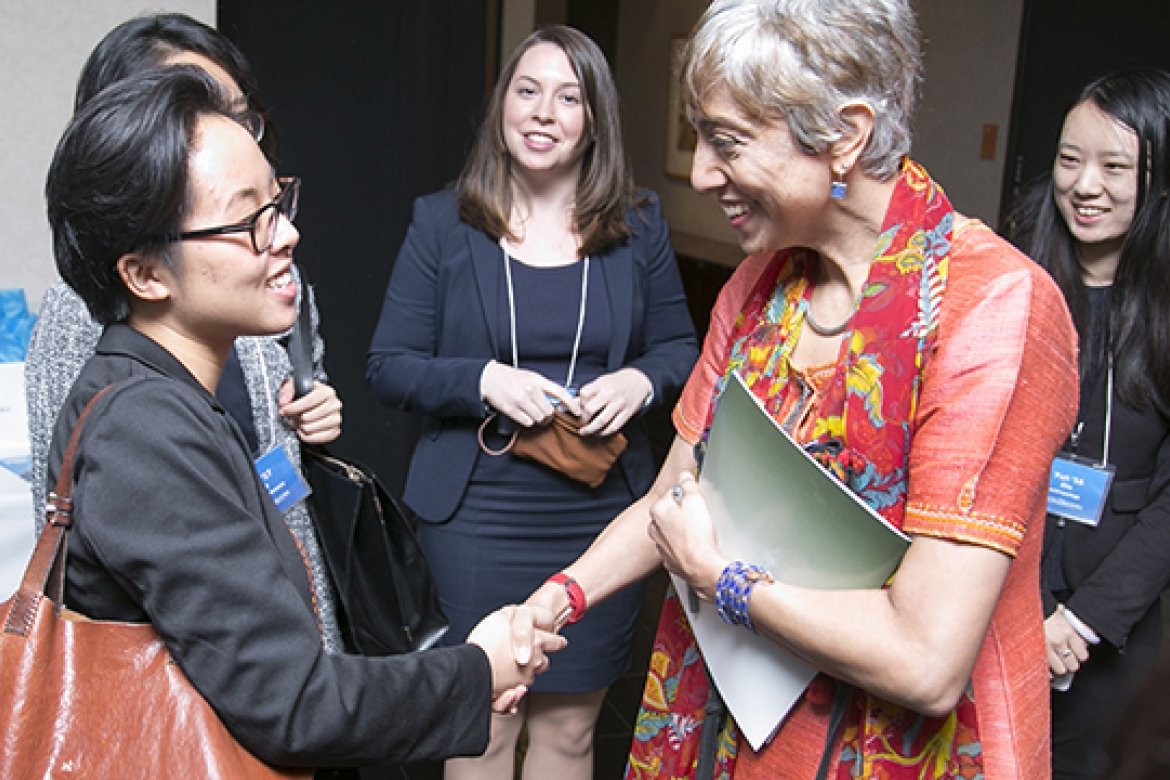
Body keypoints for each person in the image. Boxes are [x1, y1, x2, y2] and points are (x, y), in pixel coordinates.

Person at [523, 1, 1081, 777]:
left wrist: (720, 579)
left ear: (845, 135)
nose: (705, 170)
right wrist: (555, 599)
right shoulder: (758, 286)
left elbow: (925, 661)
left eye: (727, 140)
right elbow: (671, 501)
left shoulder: (989, 307)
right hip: (738, 726)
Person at [43, 65, 563, 775]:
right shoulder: (146, 432)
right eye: (247, 219)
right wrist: (481, 668)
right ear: (145, 275)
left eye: (277, 201)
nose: (285, 234)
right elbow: (294, 705)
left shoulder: (169, 397)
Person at [366, 24, 698, 780]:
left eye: (568, 96)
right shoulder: (443, 223)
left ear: (594, 121)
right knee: (482, 728)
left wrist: (641, 380)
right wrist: (482, 379)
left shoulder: (638, 224)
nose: (543, 112)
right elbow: (388, 366)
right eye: (527, 90)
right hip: (475, 516)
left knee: (572, 734)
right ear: (502, 108)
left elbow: (685, 351)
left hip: (598, 518)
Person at [23, 13, 350, 652]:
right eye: (187, 109)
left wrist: (311, 414)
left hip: (280, 588)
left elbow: (288, 401)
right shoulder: (75, 313)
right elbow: (63, 495)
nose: (223, 130)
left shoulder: (264, 264)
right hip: (173, 649)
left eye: (237, 111)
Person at [1005, 68, 1170, 780]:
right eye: (1070, 160)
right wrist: (1031, 611)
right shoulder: (1014, 275)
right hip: (1001, 594)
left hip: (1114, 627)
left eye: (1115, 166)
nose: (1085, 185)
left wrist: (1080, 622)